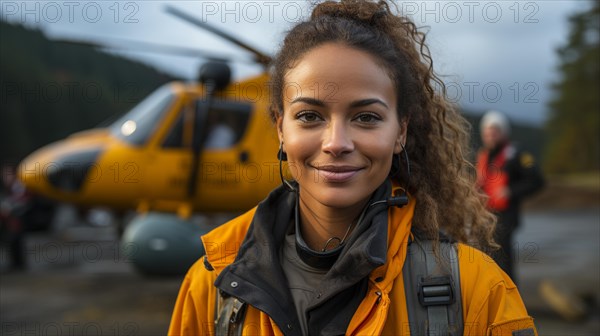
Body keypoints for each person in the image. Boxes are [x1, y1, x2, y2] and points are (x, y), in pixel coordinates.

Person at [169, 1, 538, 335]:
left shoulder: (479, 290)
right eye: (310, 116)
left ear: (400, 132)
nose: (336, 142)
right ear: (281, 129)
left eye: (366, 117)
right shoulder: (210, 285)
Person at [476, 110, 545, 281]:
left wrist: (511, 191)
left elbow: (537, 181)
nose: (491, 136)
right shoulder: (483, 155)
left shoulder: (516, 154)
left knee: (503, 262)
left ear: (503, 132)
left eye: (495, 131)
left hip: (505, 217)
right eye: (487, 132)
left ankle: (509, 300)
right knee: (485, 259)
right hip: (485, 216)